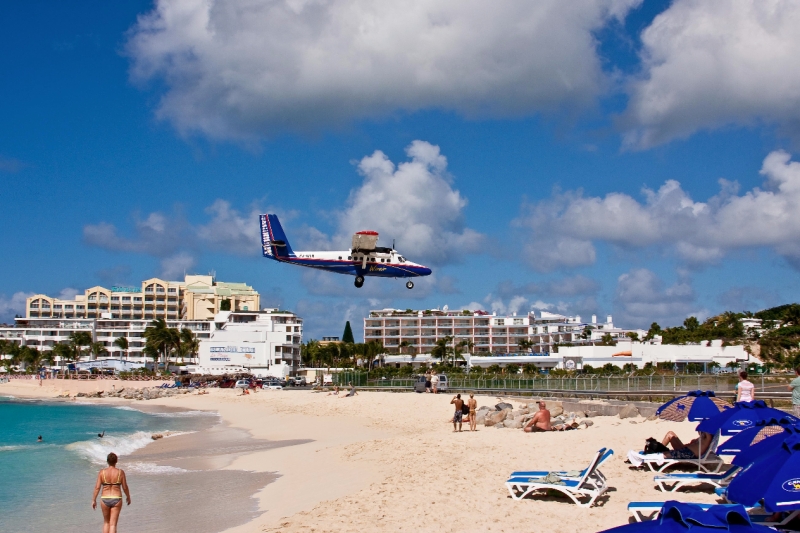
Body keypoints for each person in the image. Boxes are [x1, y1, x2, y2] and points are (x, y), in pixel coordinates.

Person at [92, 452, 131, 533]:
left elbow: (97, 487)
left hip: (104, 498)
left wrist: (94, 500)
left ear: (107, 461)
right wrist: (128, 496)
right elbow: (125, 487)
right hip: (117, 498)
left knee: (106, 522)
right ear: (116, 461)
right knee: (113, 525)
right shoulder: (120, 472)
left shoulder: (102, 472)